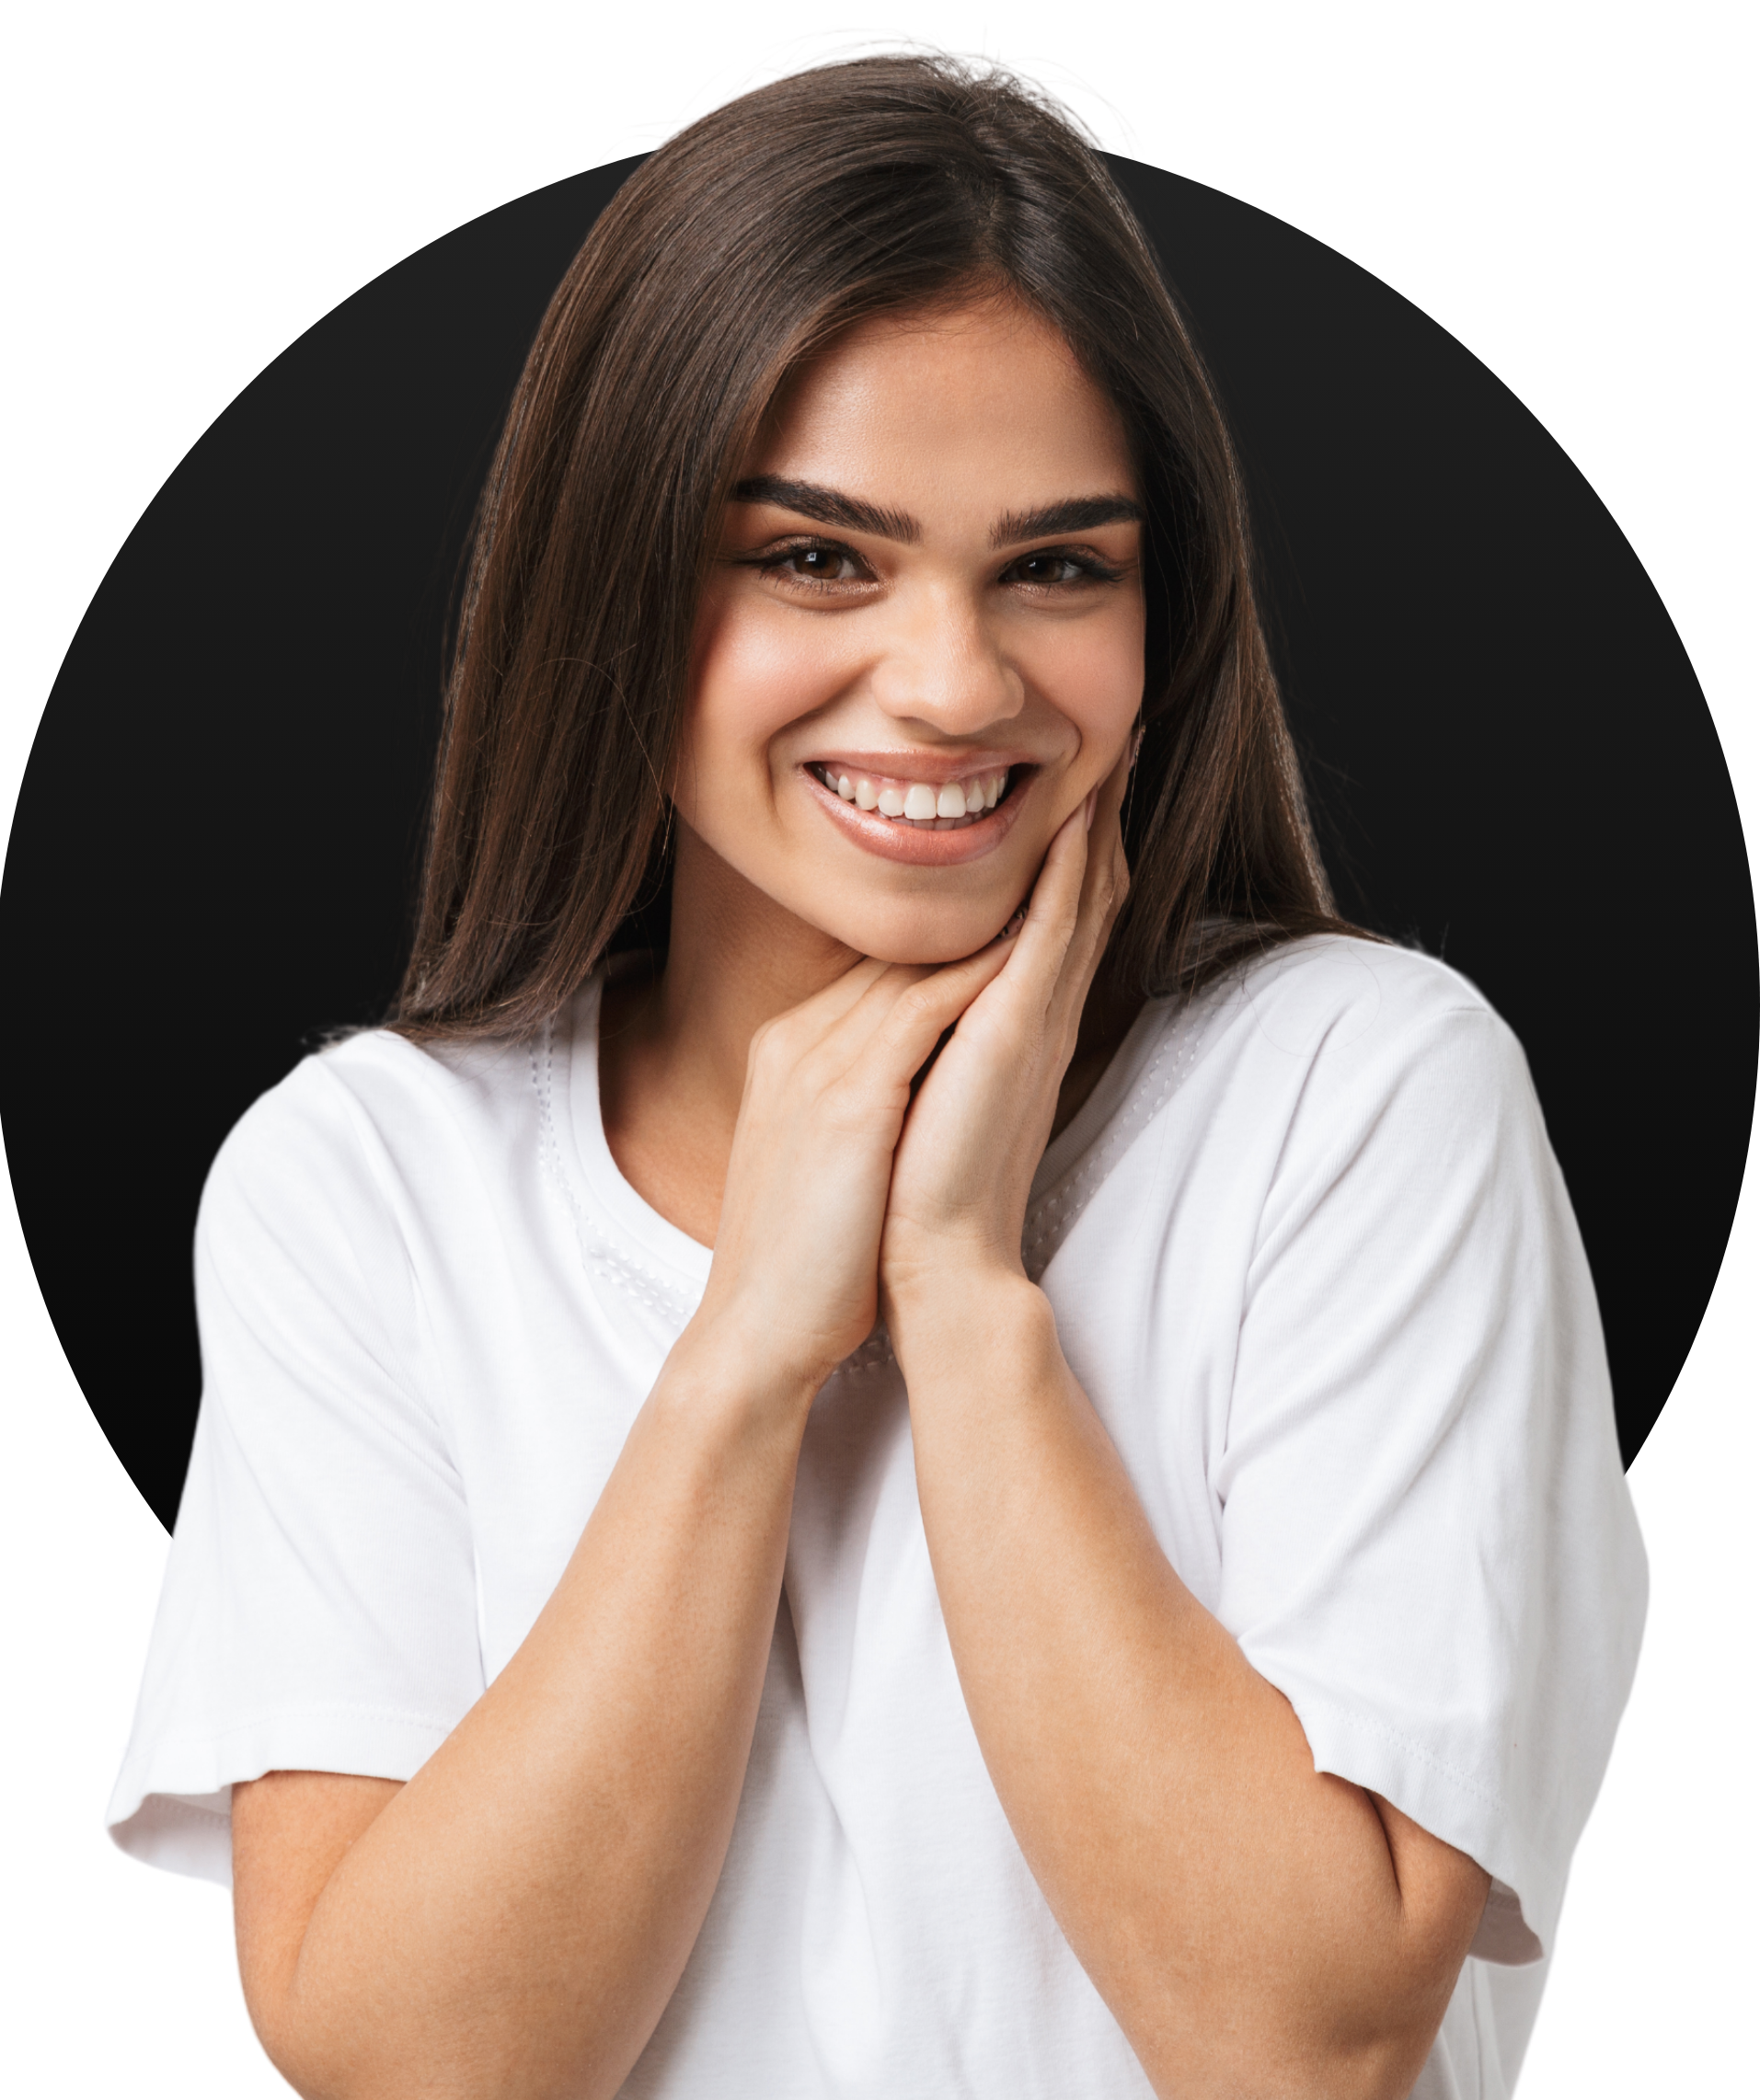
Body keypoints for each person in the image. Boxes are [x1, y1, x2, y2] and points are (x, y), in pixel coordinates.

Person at [103, 37, 1650, 2100]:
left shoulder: (1359, 1098)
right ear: (621, 582)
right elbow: (408, 2067)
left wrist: (967, 1297)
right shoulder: (366, 1180)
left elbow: (1303, 2047)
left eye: (1059, 565)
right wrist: (746, 1347)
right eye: (816, 555)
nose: (952, 681)